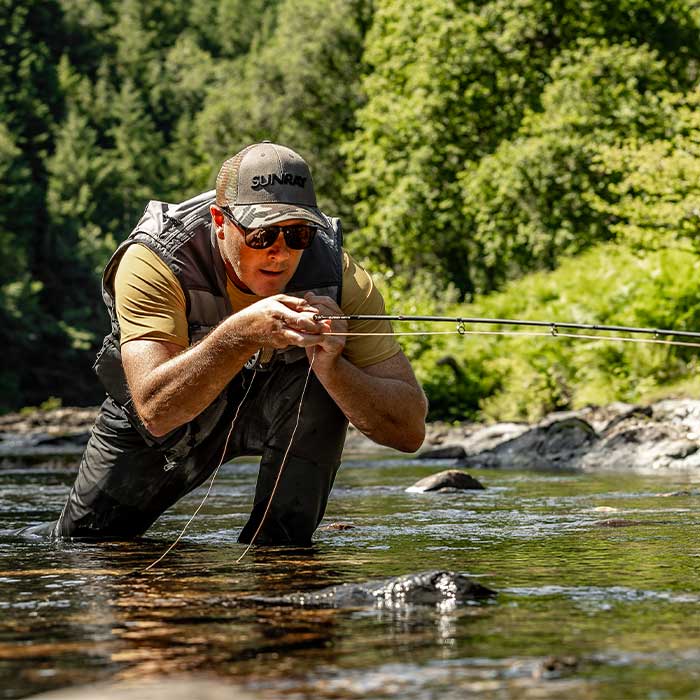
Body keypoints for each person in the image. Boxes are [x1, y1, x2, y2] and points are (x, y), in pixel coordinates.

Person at [35, 141, 427, 544]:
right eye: (262, 234)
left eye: (297, 234)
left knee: (323, 378)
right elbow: (155, 410)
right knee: (86, 545)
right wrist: (241, 334)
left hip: (282, 403)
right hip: (165, 425)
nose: (280, 252)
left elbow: (409, 431)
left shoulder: (340, 276)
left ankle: (280, 560)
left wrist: (334, 367)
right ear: (220, 221)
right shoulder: (156, 260)